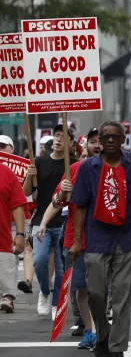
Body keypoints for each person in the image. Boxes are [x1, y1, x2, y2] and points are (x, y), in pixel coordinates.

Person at [69, 121, 131, 357]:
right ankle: (103, 333)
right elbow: (81, 205)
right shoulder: (88, 168)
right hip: (97, 238)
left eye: (114, 136)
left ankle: (117, 347)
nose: (108, 141)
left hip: (129, 237)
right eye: (104, 137)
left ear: (123, 139)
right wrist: (77, 242)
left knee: (122, 296)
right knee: (96, 292)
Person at [36, 129, 102, 347]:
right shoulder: (74, 169)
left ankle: (103, 329)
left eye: (100, 141)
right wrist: (44, 222)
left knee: (100, 289)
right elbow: (57, 202)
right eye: (93, 142)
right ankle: (90, 331)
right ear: (85, 146)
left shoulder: (113, 169)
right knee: (80, 288)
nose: (98, 146)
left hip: (105, 240)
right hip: (75, 240)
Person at [23, 123, 71, 317]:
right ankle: (44, 292)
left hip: (65, 221)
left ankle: (56, 303)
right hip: (41, 219)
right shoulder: (39, 162)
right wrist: (29, 176)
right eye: (56, 135)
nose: (58, 139)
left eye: (63, 136)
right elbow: (26, 192)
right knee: (40, 260)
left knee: (61, 267)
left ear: (71, 142)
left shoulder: (73, 164)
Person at [0, 154, 27, 314]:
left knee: (5, 262)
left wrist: (20, 233)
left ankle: (7, 296)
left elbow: (18, 204)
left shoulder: (6, 172)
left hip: (2, 237)